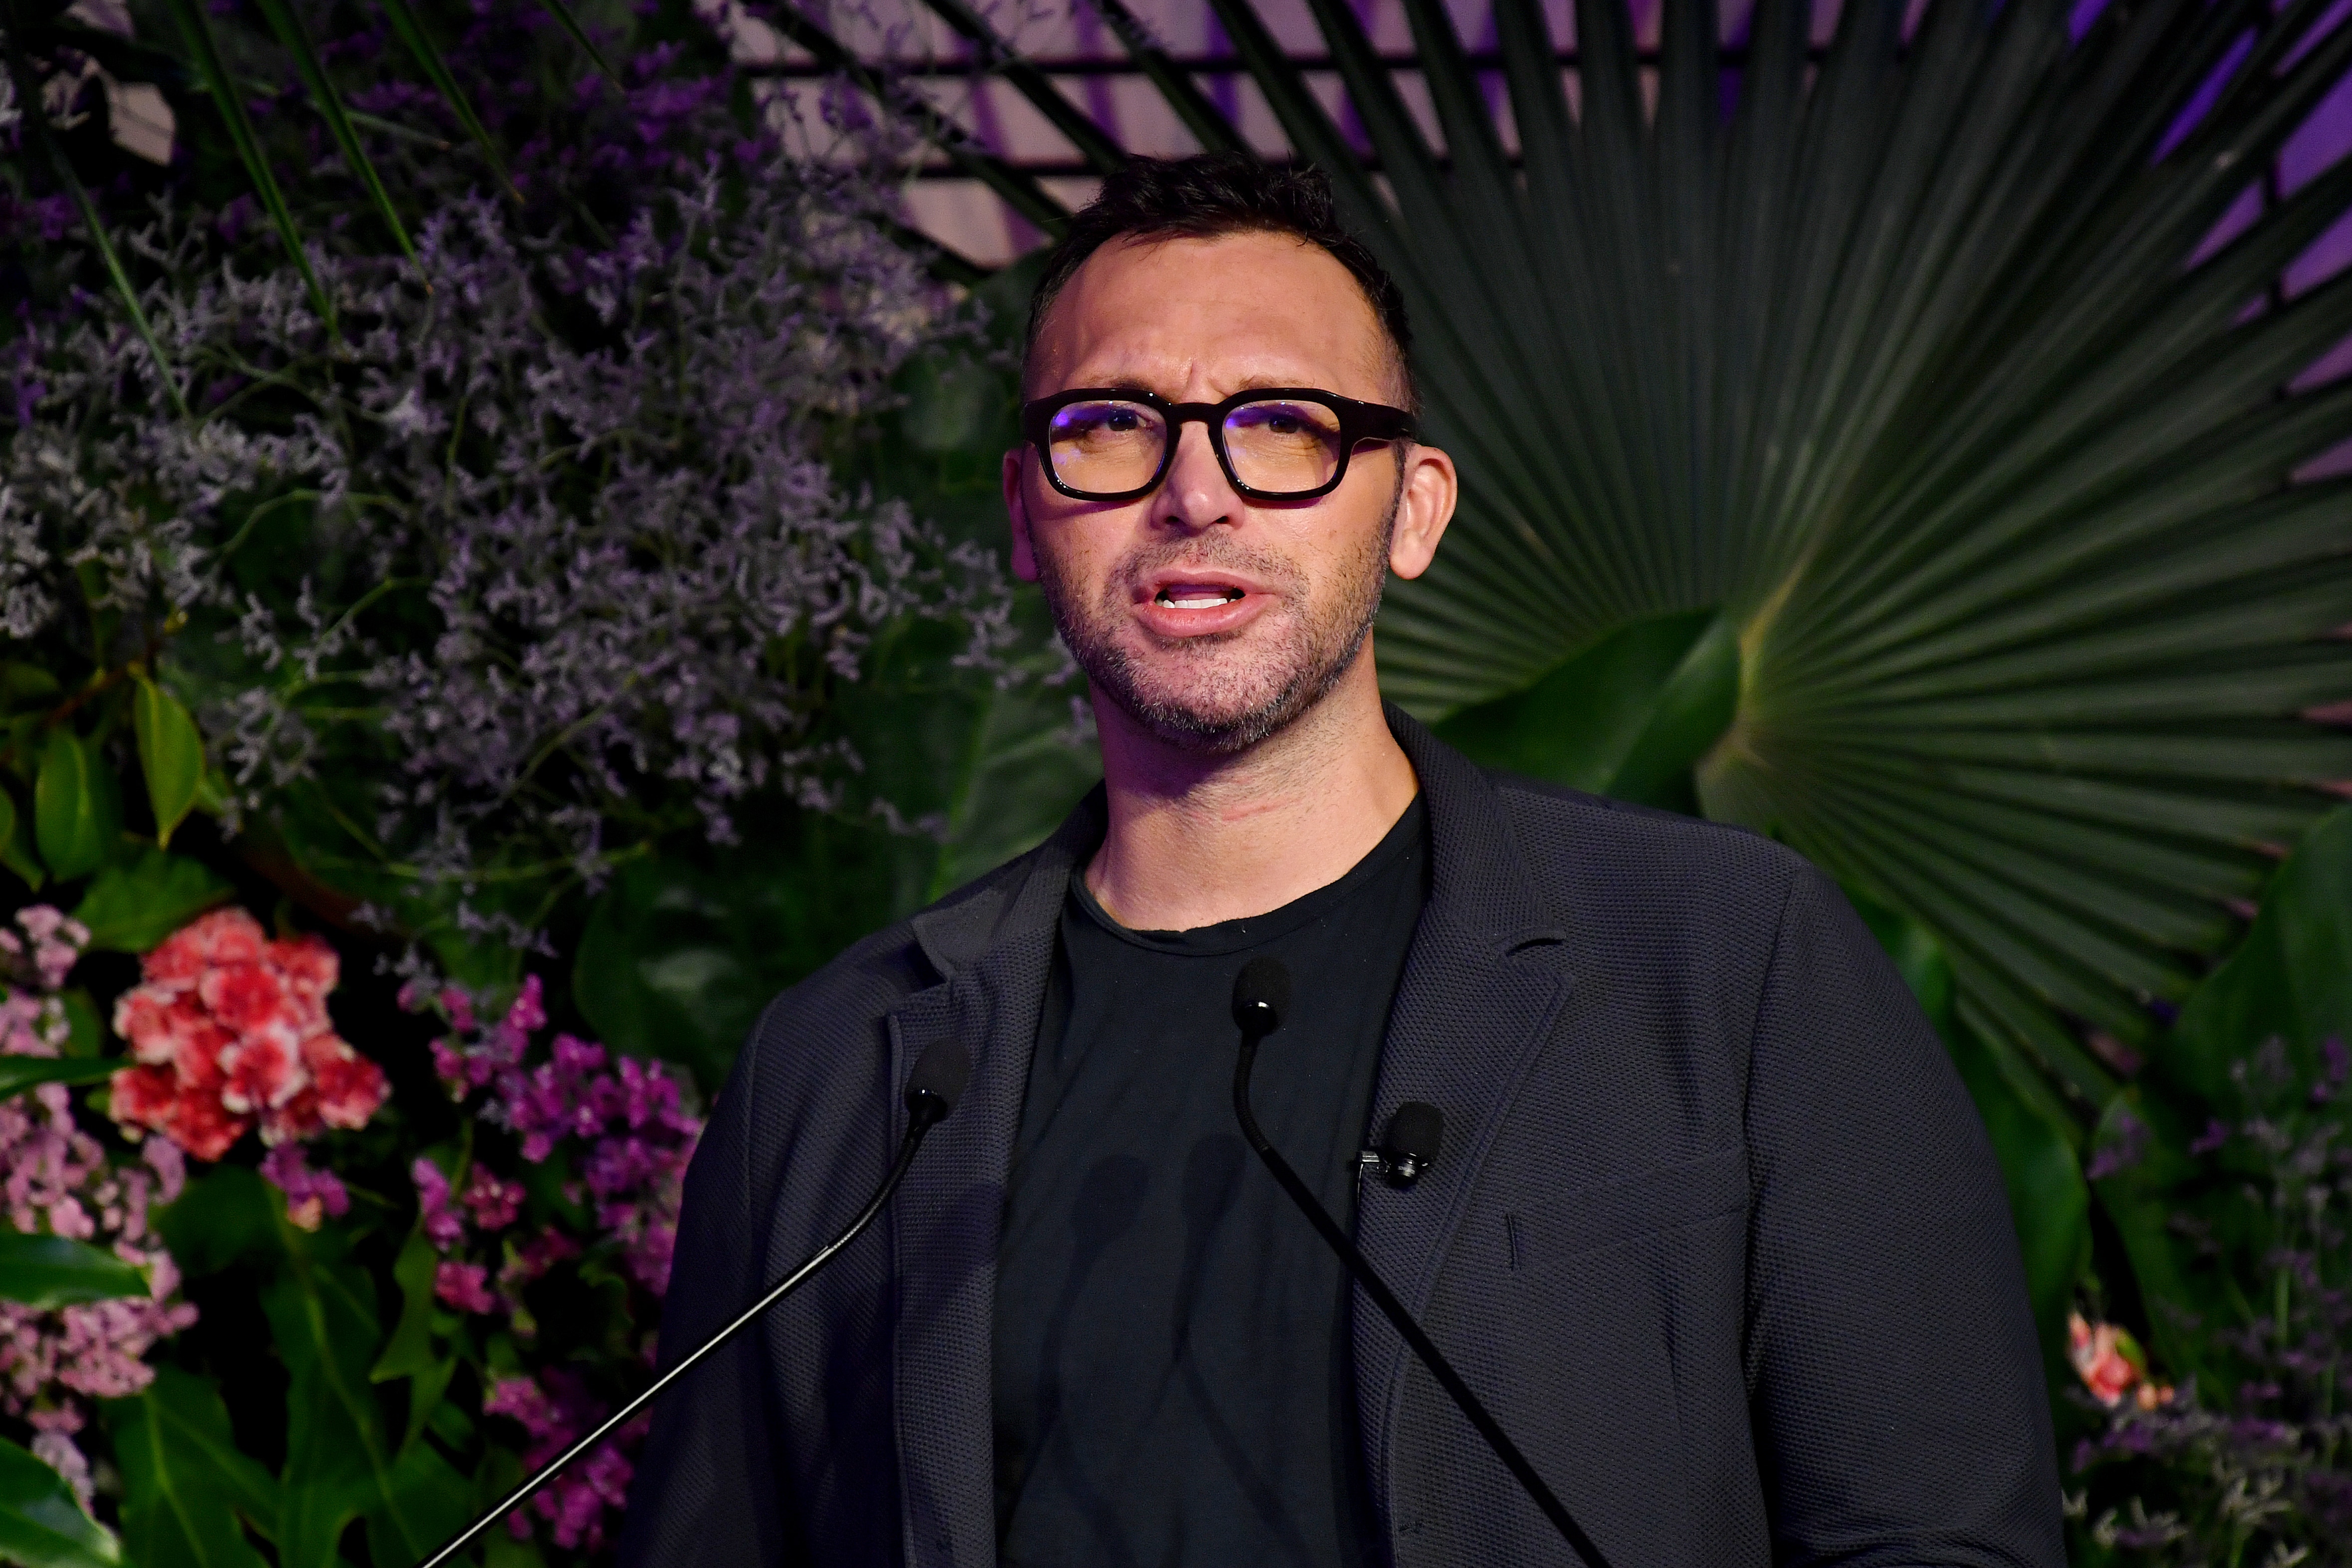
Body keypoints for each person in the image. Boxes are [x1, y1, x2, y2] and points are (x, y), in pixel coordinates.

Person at [620, 153, 2063, 1568]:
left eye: (1283, 424)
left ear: (1414, 506)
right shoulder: (838, 1070)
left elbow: (1935, 1538)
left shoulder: (1731, 965)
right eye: (1114, 425)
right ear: (1021, 509)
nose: (1194, 494)